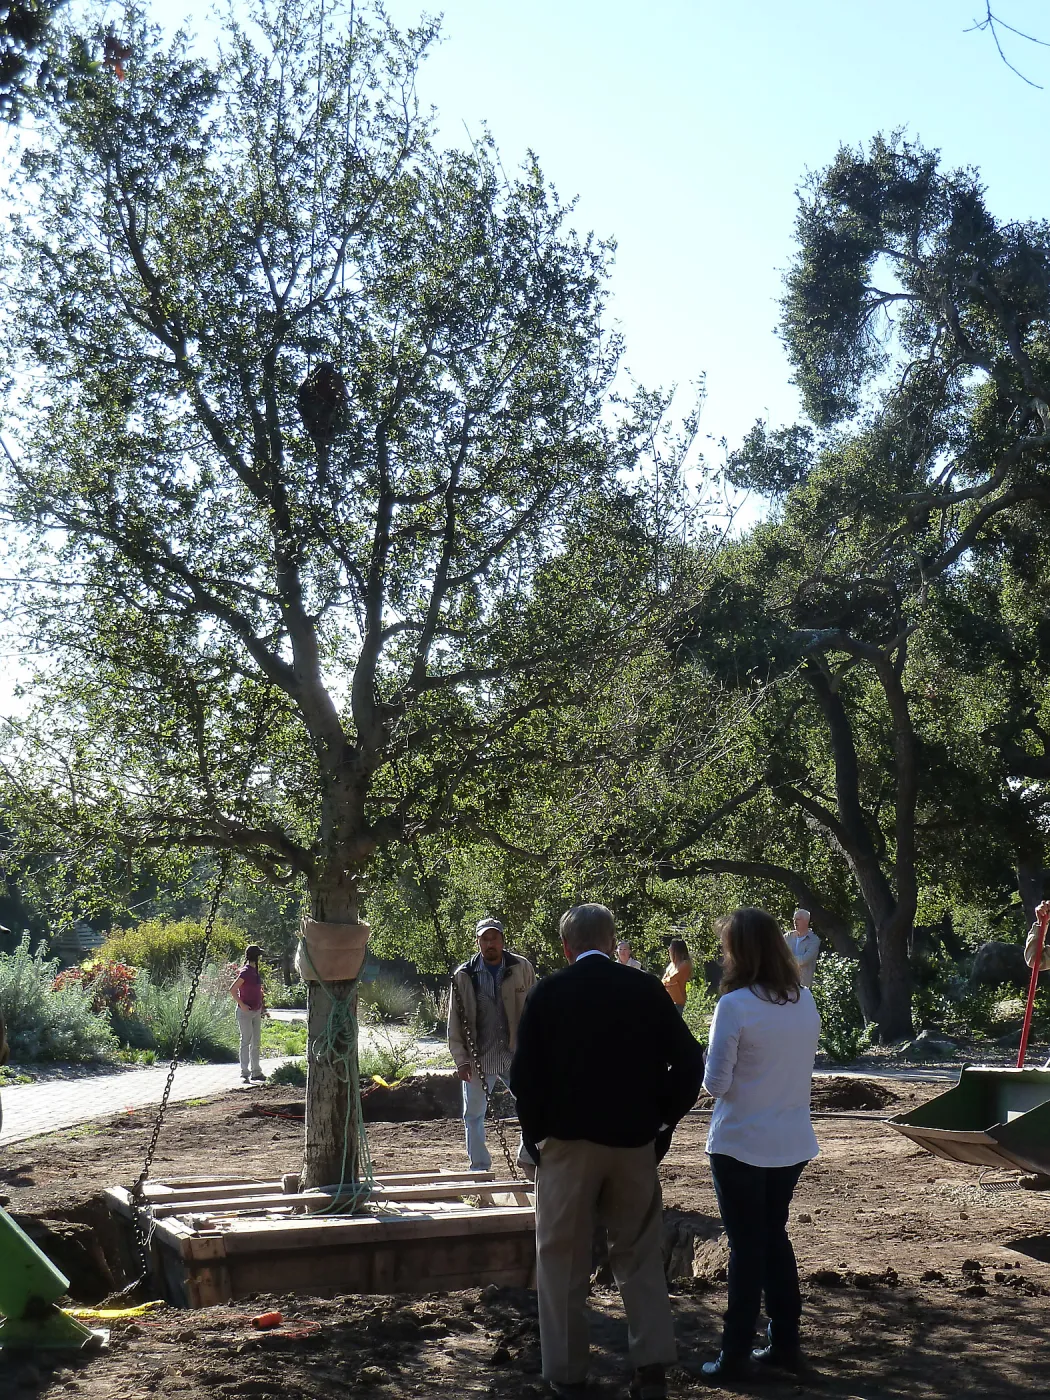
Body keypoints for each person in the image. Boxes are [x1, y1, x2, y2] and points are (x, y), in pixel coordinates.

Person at [510, 903, 705, 1400]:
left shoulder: (548, 992)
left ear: (566, 947)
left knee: (562, 1259)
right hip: (634, 1143)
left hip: (567, 1145)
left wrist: (536, 1136)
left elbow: (524, 1079)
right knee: (639, 1254)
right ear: (612, 940)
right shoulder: (645, 988)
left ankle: (567, 1373)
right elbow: (689, 1062)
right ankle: (651, 1366)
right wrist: (661, 1121)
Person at [700, 907, 821, 1383]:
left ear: (739, 952)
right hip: (790, 1142)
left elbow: (716, 1084)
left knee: (747, 1249)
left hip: (741, 1142)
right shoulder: (804, 1000)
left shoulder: (734, 1005)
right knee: (774, 1239)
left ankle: (734, 1355)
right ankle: (785, 1342)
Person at [447, 916, 535, 1173]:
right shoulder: (464, 975)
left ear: (502, 940)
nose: (490, 944)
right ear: (478, 942)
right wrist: (461, 1060)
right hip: (479, 1056)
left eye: (494, 938)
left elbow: (536, 1009)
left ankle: (527, 1157)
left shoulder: (521, 967)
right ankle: (480, 1169)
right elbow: (454, 1023)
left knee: (533, 1106)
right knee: (474, 1115)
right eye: (484, 939)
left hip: (515, 1054)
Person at [229, 943, 266, 1083]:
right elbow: (233, 989)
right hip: (245, 1012)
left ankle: (256, 1072)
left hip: (256, 1011)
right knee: (246, 1041)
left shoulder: (255, 971)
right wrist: (242, 1005)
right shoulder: (245, 972)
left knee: (256, 1042)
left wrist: (261, 1005)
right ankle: (244, 1073)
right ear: (255, 957)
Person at [784, 908, 821, 989]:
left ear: (806, 921)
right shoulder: (787, 937)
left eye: (798, 919)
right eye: (794, 919)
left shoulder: (814, 940)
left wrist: (786, 959)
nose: (795, 921)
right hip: (785, 982)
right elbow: (777, 953)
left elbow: (804, 960)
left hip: (803, 985)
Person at [661, 936, 692, 1013]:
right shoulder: (671, 964)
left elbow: (672, 979)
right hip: (666, 1000)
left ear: (677, 950)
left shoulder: (685, 963)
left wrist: (666, 981)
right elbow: (663, 981)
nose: (669, 949)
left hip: (677, 1003)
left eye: (671, 947)